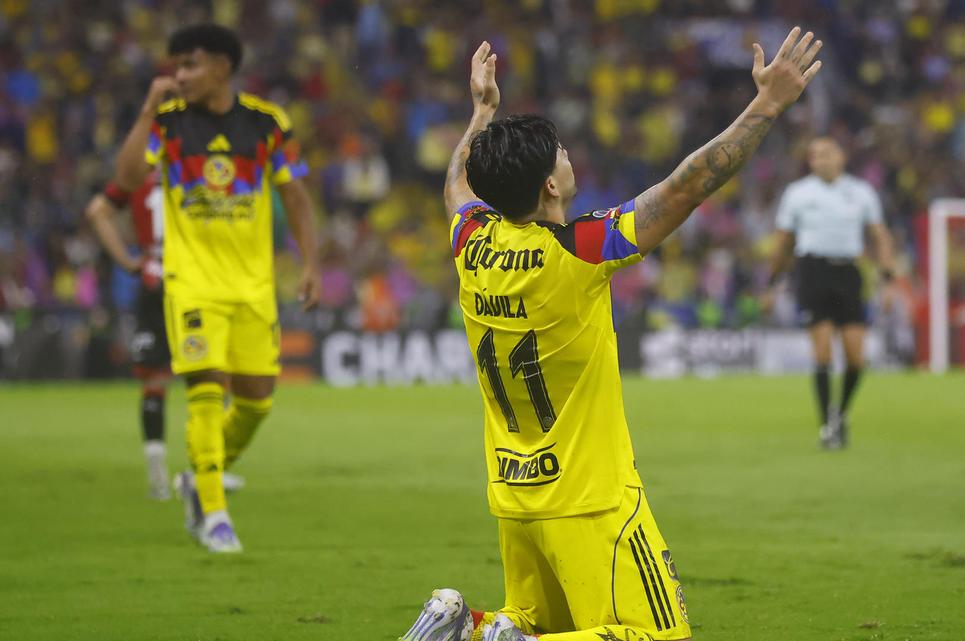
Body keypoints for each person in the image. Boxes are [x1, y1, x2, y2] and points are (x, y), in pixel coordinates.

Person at [401, 29, 821, 641]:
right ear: (549, 184)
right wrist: (767, 106)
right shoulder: (578, 251)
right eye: (562, 155)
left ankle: (464, 627)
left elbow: (456, 191)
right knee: (658, 635)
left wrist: (481, 114)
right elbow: (685, 187)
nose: (570, 160)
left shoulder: (472, 244)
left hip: (513, 493)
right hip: (589, 497)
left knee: (538, 624)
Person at [112, 23, 320, 553]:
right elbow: (130, 177)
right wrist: (145, 110)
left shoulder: (266, 124)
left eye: (190, 64)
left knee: (256, 403)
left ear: (223, 66)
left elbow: (296, 197)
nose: (178, 76)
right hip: (192, 284)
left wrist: (311, 263)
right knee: (206, 392)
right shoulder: (168, 124)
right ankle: (215, 515)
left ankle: (199, 478)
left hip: (253, 287)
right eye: (176, 66)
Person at [85, 175, 248, 501]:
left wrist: (129, 259)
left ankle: (157, 477)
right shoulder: (191, 172)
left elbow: (97, 212)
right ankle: (212, 468)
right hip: (191, 280)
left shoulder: (137, 178)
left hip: (152, 281)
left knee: (154, 382)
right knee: (210, 375)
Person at [766, 136, 895, 449]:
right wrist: (772, 282)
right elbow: (783, 240)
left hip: (849, 272)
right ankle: (827, 425)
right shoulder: (798, 193)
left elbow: (879, 235)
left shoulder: (861, 192)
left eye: (825, 154)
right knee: (822, 352)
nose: (819, 160)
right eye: (813, 155)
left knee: (855, 357)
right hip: (813, 271)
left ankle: (840, 413)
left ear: (841, 156)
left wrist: (888, 278)